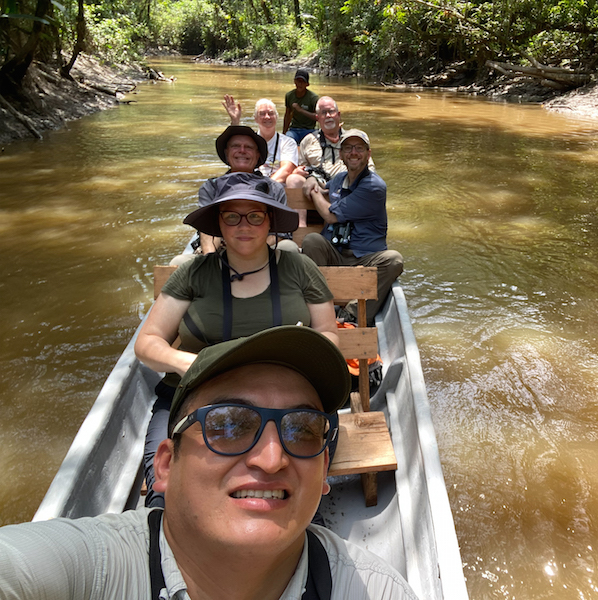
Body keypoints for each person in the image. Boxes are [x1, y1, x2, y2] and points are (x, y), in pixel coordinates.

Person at [0, 326, 420, 599]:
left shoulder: (374, 589)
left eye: (303, 428)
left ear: (324, 470)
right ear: (164, 465)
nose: (273, 459)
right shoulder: (91, 571)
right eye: (228, 425)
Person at [135, 179, 338, 508]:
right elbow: (147, 343)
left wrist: (300, 360)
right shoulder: (193, 273)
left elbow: (328, 334)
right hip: (194, 397)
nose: (244, 226)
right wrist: (193, 363)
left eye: (255, 216)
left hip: (282, 402)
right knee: (165, 494)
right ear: (219, 223)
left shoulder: (299, 268)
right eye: (232, 217)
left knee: (297, 495)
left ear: (270, 220)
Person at [302, 129, 403, 324]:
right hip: (337, 251)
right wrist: (312, 179)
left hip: (365, 257)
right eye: (348, 148)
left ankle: (351, 313)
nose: (353, 153)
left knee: (394, 260)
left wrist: (314, 193)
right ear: (341, 154)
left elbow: (330, 216)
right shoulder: (340, 179)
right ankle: (321, 305)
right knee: (311, 240)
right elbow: (324, 187)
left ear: (368, 153)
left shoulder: (374, 186)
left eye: (359, 148)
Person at [198, 125, 297, 254]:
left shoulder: (274, 189)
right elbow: (207, 229)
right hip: (220, 251)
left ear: (257, 156)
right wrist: (211, 261)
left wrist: (247, 252)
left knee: (289, 247)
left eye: (249, 147)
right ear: (227, 154)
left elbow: (281, 233)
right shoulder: (211, 187)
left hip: (263, 251)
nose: (242, 150)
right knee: (179, 261)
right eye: (235, 146)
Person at [285, 96, 375, 191]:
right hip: (318, 188)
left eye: (331, 111)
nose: (328, 115)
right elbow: (302, 168)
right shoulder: (308, 141)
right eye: (323, 113)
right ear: (317, 117)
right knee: (293, 179)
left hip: (351, 186)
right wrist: (298, 172)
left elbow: (370, 168)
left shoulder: (354, 139)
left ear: (338, 115)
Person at [223, 95, 299, 185]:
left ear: (276, 117)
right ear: (255, 118)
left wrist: (264, 188)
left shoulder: (287, 143)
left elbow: (287, 170)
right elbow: (233, 153)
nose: (267, 117)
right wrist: (235, 122)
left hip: (275, 186)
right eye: (262, 114)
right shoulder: (249, 142)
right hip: (248, 183)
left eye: (271, 113)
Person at [283, 69, 319, 144]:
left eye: (302, 82)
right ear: (294, 81)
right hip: (294, 130)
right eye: (298, 81)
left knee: (315, 141)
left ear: (307, 84)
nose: (300, 84)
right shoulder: (289, 96)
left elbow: (317, 117)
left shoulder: (313, 98)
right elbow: (287, 116)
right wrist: (284, 133)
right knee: (288, 141)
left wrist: (301, 110)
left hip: (309, 130)